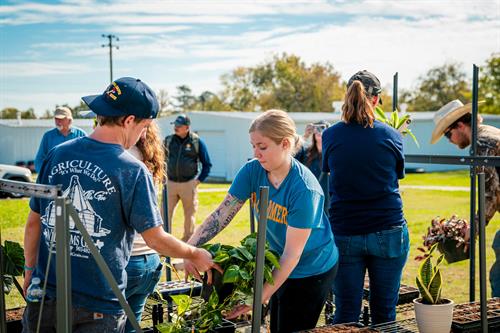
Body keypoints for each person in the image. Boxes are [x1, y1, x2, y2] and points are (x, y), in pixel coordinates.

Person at [22, 77, 218, 333]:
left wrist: (29, 270)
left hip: (47, 295)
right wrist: (194, 254)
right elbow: (155, 239)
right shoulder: (132, 170)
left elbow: (33, 221)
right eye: (144, 126)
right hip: (99, 305)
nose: (144, 133)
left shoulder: (58, 154)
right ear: (128, 121)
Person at [184, 109, 339, 333]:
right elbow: (221, 214)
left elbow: (292, 255)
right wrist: (190, 249)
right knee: (276, 325)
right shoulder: (252, 171)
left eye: (262, 146)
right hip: (278, 262)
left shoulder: (304, 189)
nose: (256, 153)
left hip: (311, 268)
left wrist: (259, 297)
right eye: (253, 146)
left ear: (285, 144)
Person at [322, 70, 410, 325]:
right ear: (375, 100)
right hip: (388, 229)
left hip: (345, 231)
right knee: (384, 314)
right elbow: (397, 175)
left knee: (346, 314)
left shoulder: (331, 135)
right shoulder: (392, 135)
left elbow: (330, 170)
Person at [430, 99, 500, 297]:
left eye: (447, 134)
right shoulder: (489, 133)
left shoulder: (481, 142)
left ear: (460, 125)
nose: (449, 140)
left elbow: (491, 191)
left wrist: (474, 227)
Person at [125, 121, 165, 333]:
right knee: (131, 326)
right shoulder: (149, 158)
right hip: (150, 259)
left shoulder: (124, 156)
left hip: (128, 259)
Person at [164, 114, 212, 241]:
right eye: (175, 125)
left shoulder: (197, 142)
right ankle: (164, 243)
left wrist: (198, 181)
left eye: (179, 126)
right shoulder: (168, 140)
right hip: (170, 183)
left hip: (189, 184)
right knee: (164, 214)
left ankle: (187, 243)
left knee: (189, 216)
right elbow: (160, 160)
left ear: (187, 127)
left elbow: (207, 164)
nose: (176, 128)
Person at [34, 106, 86, 173]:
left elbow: (88, 157)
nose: (58, 121)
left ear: (69, 120)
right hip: (54, 177)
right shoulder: (48, 136)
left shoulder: (81, 134)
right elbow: (39, 159)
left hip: (76, 174)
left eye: (61, 119)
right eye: (56, 118)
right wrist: (43, 174)